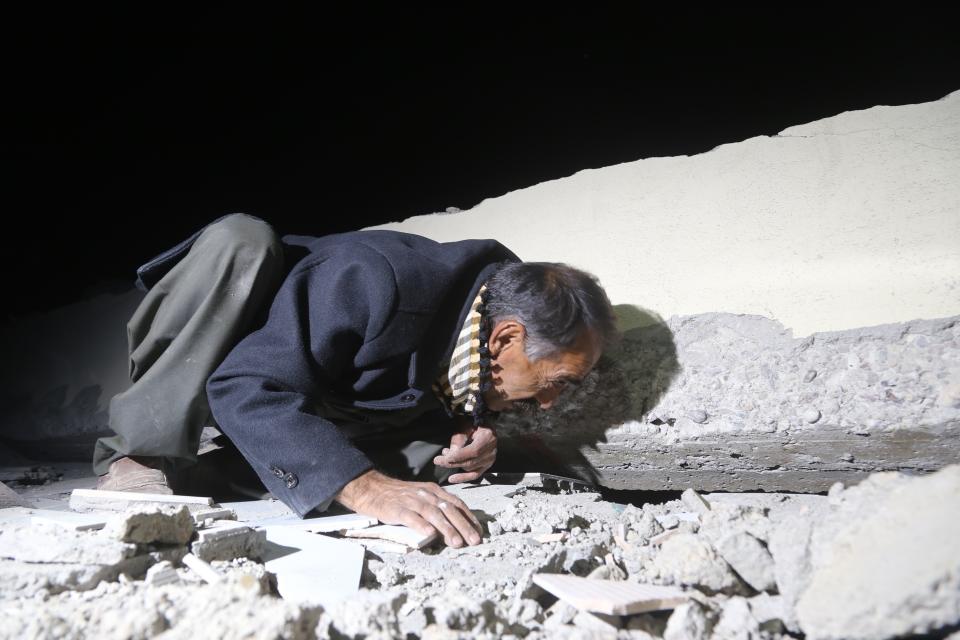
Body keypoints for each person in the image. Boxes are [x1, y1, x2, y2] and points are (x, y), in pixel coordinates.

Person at [93, 213, 618, 548]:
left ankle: (203, 476)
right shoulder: (372, 280)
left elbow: (440, 375)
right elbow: (242, 385)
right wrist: (364, 488)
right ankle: (139, 457)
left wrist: (469, 426)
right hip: (234, 358)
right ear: (505, 339)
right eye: (557, 381)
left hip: (320, 391)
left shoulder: (497, 307)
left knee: (424, 462)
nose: (549, 403)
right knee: (241, 239)